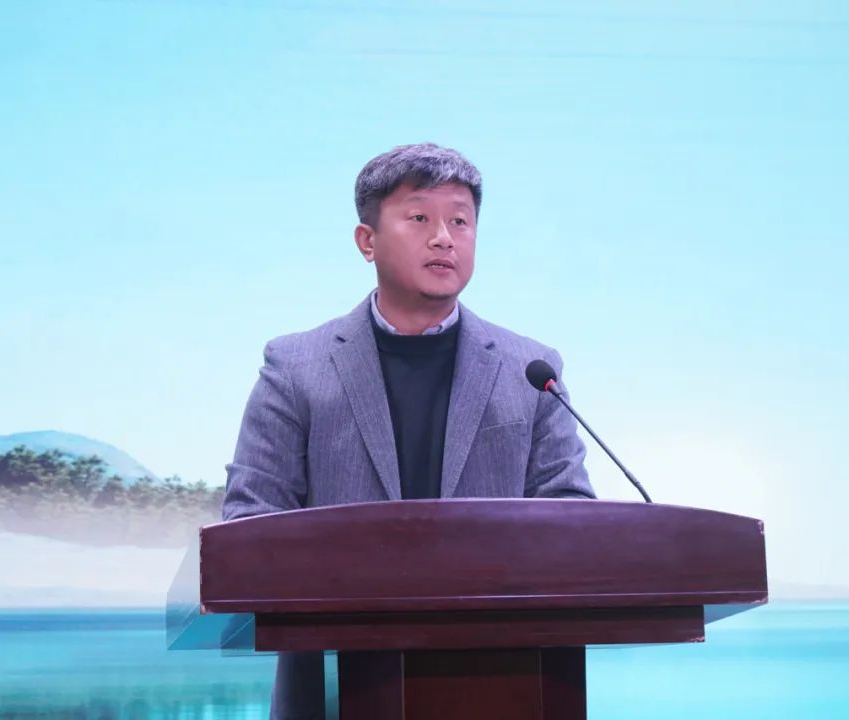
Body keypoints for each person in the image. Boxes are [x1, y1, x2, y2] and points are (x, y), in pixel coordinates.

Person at [222, 142, 595, 720]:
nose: (444, 237)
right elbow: (249, 523)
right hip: (335, 690)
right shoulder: (296, 368)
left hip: (506, 684)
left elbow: (573, 521)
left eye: (460, 221)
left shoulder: (531, 371)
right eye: (419, 217)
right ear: (366, 241)